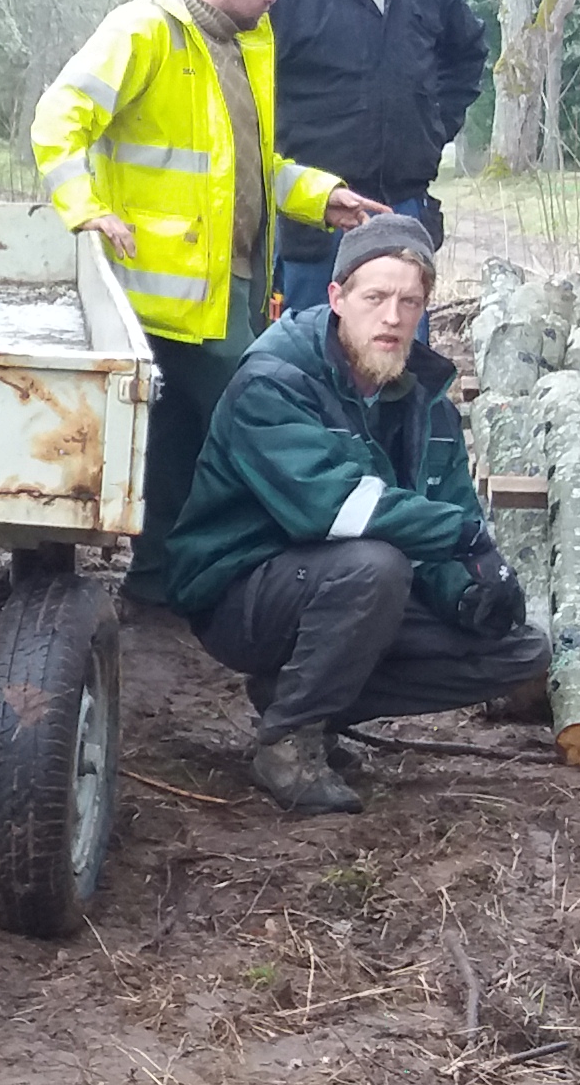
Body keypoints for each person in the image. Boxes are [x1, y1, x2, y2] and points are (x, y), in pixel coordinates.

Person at [33, 0, 384, 602]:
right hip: (166, 290)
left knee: (179, 441)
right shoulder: (145, 30)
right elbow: (59, 115)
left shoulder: (241, 43)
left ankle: (164, 580)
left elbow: (244, 170)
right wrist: (84, 208)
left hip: (230, 284)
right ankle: (283, 577)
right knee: (258, 419)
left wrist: (319, 196)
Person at [166, 215, 550, 814]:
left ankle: (294, 697)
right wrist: (465, 537)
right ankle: (287, 744)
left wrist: (466, 594)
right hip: (241, 591)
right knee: (375, 566)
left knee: (519, 650)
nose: (393, 317)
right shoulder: (275, 381)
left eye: (410, 301)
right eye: (376, 297)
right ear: (337, 298)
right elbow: (336, 509)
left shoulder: (423, 398)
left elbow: (446, 506)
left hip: (345, 582)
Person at [265, 0, 490, 319]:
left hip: (404, 212)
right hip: (315, 218)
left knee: (399, 362)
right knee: (308, 364)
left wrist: (433, 127)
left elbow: (468, 56)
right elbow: (246, 82)